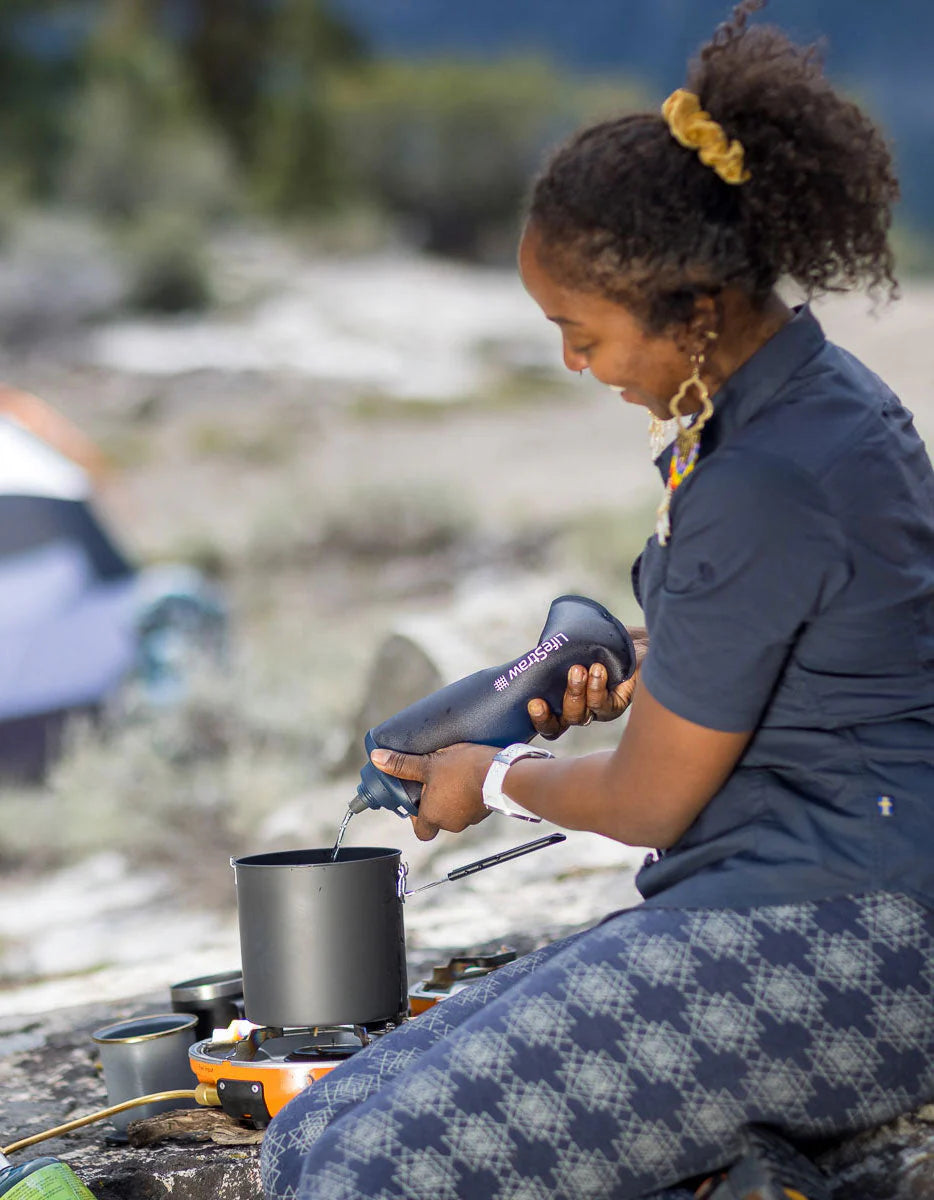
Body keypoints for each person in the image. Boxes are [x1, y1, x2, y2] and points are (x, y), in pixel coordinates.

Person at [261, 3, 934, 1197]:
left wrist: (497, 779)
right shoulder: (783, 417)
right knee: (319, 1120)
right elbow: (789, 638)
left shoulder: (775, 472)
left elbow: (651, 795)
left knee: (366, 1168)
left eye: (582, 333)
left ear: (693, 312)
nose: (575, 364)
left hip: (850, 939)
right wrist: (638, 660)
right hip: (770, 899)